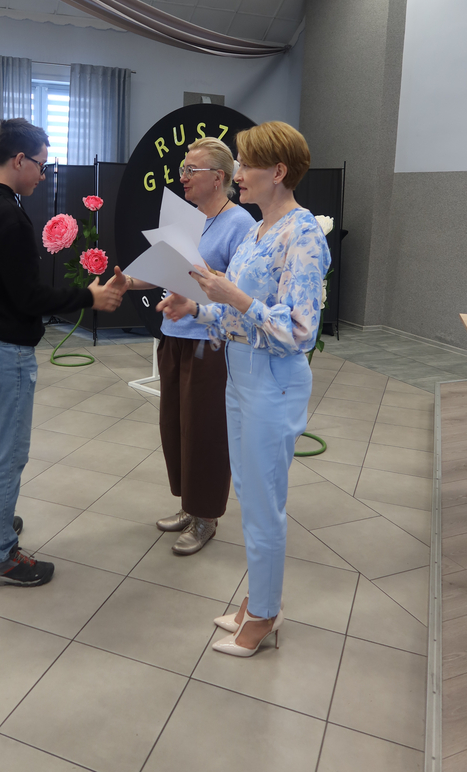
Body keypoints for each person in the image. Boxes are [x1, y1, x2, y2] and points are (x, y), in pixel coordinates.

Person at [158, 122, 330, 653]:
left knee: (263, 503)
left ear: (278, 172)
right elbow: (236, 318)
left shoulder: (302, 232)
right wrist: (197, 308)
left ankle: (264, 615)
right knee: (252, 497)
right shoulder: (258, 232)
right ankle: (259, 600)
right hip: (240, 374)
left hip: (272, 382)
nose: (239, 174)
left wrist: (232, 296)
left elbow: (299, 330)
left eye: (247, 165)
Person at [0, 118, 122, 587]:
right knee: (7, 454)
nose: (44, 176)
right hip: (2, 347)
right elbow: (27, 296)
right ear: (19, 159)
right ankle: (0, 557)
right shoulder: (7, 215)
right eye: (42, 166)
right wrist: (88, 297)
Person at [111, 138, 253, 554]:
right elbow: (164, 268)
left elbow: (240, 289)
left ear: (219, 178)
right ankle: (190, 505)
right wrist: (128, 281)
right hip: (174, 336)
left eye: (192, 170)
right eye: (182, 169)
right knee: (176, 427)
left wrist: (204, 273)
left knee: (205, 431)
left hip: (211, 342)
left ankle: (206, 515)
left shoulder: (240, 224)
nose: (183, 177)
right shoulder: (189, 218)